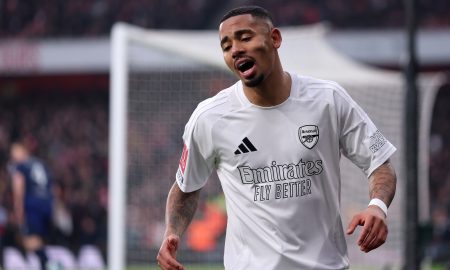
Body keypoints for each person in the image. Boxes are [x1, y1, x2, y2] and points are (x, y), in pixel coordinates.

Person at [157, 6, 397, 270]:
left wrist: (377, 206)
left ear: (274, 39)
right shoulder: (210, 118)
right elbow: (185, 189)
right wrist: (172, 232)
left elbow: (380, 164)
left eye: (245, 37)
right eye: (226, 46)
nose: (235, 49)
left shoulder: (328, 100)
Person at [9, 142, 53, 270]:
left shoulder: (21, 166)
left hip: (32, 204)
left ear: (23, 150)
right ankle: (45, 264)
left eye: (15, 151)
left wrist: (18, 209)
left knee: (29, 240)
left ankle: (51, 264)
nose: (13, 155)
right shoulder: (41, 164)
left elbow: (18, 188)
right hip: (46, 204)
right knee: (38, 239)